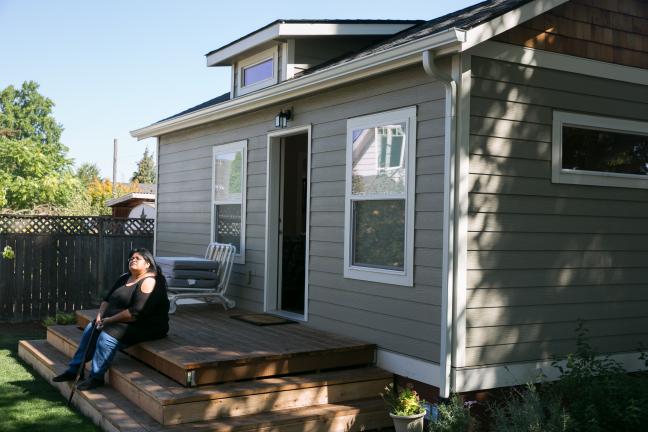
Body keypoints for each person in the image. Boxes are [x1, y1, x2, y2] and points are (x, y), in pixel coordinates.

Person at [52, 248, 169, 390]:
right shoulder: (124, 277)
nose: (133, 259)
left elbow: (135, 313)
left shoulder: (150, 281)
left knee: (107, 336)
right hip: (118, 320)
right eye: (131, 258)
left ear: (148, 263)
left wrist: (109, 320)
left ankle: (96, 377)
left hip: (146, 325)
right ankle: (75, 369)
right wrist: (100, 316)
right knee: (92, 327)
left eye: (137, 258)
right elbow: (107, 300)